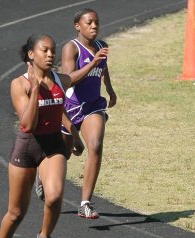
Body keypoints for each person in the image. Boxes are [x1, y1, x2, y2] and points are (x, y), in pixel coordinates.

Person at [0, 33, 84, 238]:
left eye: (53, 50)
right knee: (16, 212)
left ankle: (44, 237)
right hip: (26, 148)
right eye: (45, 50)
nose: (51, 55)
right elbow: (28, 124)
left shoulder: (59, 80)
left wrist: (73, 133)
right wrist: (34, 91)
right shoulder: (19, 85)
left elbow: (63, 96)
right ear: (31, 54)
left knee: (54, 197)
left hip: (52, 146)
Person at [36, 8, 117, 219]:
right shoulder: (71, 48)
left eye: (96, 22)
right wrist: (93, 62)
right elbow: (69, 78)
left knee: (95, 146)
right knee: (63, 155)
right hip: (69, 108)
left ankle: (85, 203)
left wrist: (109, 88)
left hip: (93, 106)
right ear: (77, 26)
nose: (94, 26)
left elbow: (104, 68)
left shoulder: (102, 46)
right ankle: (43, 176)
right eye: (89, 22)